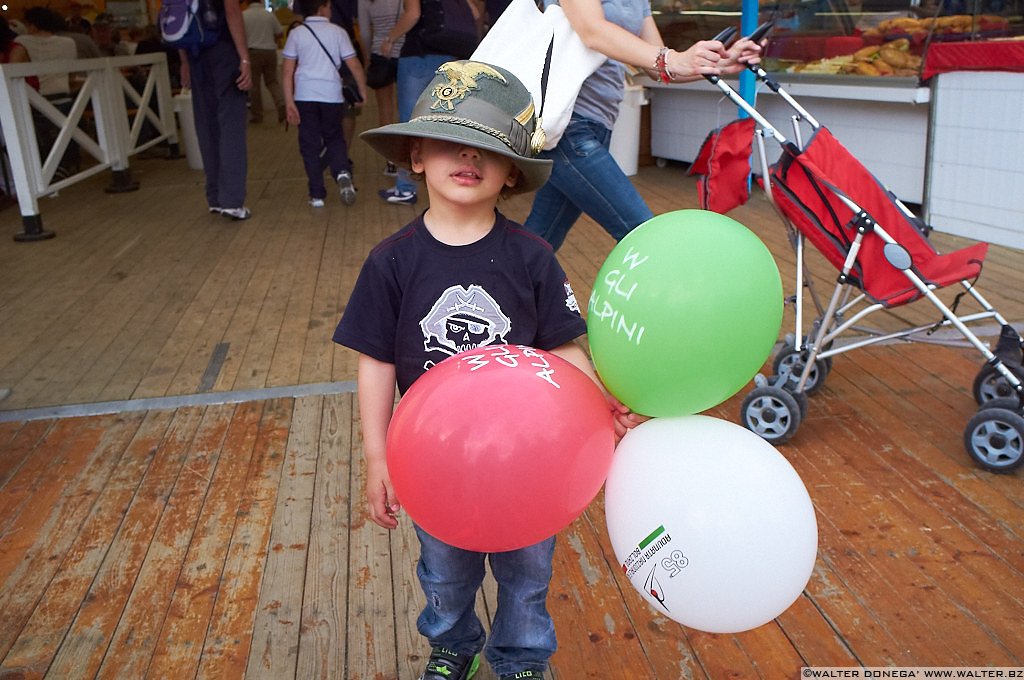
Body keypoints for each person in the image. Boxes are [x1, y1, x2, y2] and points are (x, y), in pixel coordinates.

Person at [334, 60, 643, 680]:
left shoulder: (532, 257)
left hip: (527, 455)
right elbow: (376, 362)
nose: (467, 158)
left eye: (488, 149)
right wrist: (376, 457)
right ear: (417, 156)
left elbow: (564, 347)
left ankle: (523, 656)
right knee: (445, 570)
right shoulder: (391, 263)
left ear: (509, 175)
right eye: (450, 142)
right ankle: (453, 646)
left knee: (528, 568)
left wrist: (601, 404)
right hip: (434, 456)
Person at [522, 0, 762, 251]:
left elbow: (659, 68)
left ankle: (501, 286)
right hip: (566, 125)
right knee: (644, 234)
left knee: (541, 238)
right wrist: (672, 58)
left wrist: (721, 63)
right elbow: (592, 30)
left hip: (598, 123)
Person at [375, 0, 483, 205]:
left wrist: (390, 38)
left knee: (411, 124)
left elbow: (413, 14)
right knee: (448, 122)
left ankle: (406, 188)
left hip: (418, 57)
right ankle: (456, 182)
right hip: (451, 59)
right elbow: (475, 14)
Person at [282, 0, 366, 207]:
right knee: (335, 138)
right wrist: (362, 91)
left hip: (304, 96)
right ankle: (342, 172)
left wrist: (288, 102)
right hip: (331, 95)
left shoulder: (296, 34)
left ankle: (317, 194)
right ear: (322, 8)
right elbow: (354, 64)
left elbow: (287, 72)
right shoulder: (337, 31)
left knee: (309, 145)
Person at [180, 0, 254, 220]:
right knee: (230, 122)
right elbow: (231, 9)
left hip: (194, 54)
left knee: (206, 124)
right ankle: (231, 200)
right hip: (222, 50)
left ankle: (214, 197)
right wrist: (244, 58)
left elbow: (179, 20)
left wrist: (184, 61)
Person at [12, 7, 79, 179]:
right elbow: (72, 78)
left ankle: (45, 171)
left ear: (32, 25)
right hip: (64, 100)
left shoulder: (21, 42)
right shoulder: (68, 42)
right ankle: (67, 164)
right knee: (66, 129)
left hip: (34, 102)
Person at [357, 0, 404, 176]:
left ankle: (391, 161)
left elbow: (364, 32)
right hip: (406, 53)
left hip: (380, 54)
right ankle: (414, 158)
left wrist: (368, 57)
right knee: (407, 107)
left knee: (385, 110)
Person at [242, 0, 286, 123]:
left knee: (254, 86)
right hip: (270, 52)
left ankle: (257, 115)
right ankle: (281, 104)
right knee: (272, 82)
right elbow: (280, 33)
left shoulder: (244, 15)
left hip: (252, 53)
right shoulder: (268, 15)